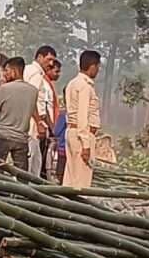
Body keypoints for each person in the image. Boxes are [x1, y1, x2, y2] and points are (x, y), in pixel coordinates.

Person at [0, 56, 40, 173]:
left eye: (6, 71)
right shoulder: (33, 91)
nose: (5, 74)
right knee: (22, 174)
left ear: (14, 71)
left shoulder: (4, 89)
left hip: (3, 136)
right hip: (21, 139)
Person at [62, 49, 103, 189]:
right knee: (82, 180)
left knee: (71, 175)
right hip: (82, 135)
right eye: (98, 66)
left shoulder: (72, 83)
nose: (98, 70)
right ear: (92, 66)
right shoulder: (85, 86)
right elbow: (82, 116)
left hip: (72, 132)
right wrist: (86, 144)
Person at [26, 46, 59, 180]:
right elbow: (31, 98)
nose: (51, 63)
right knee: (32, 157)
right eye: (49, 59)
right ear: (40, 57)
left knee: (35, 156)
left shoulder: (28, 70)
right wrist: (39, 122)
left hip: (28, 118)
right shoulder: (36, 74)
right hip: (33, 121)